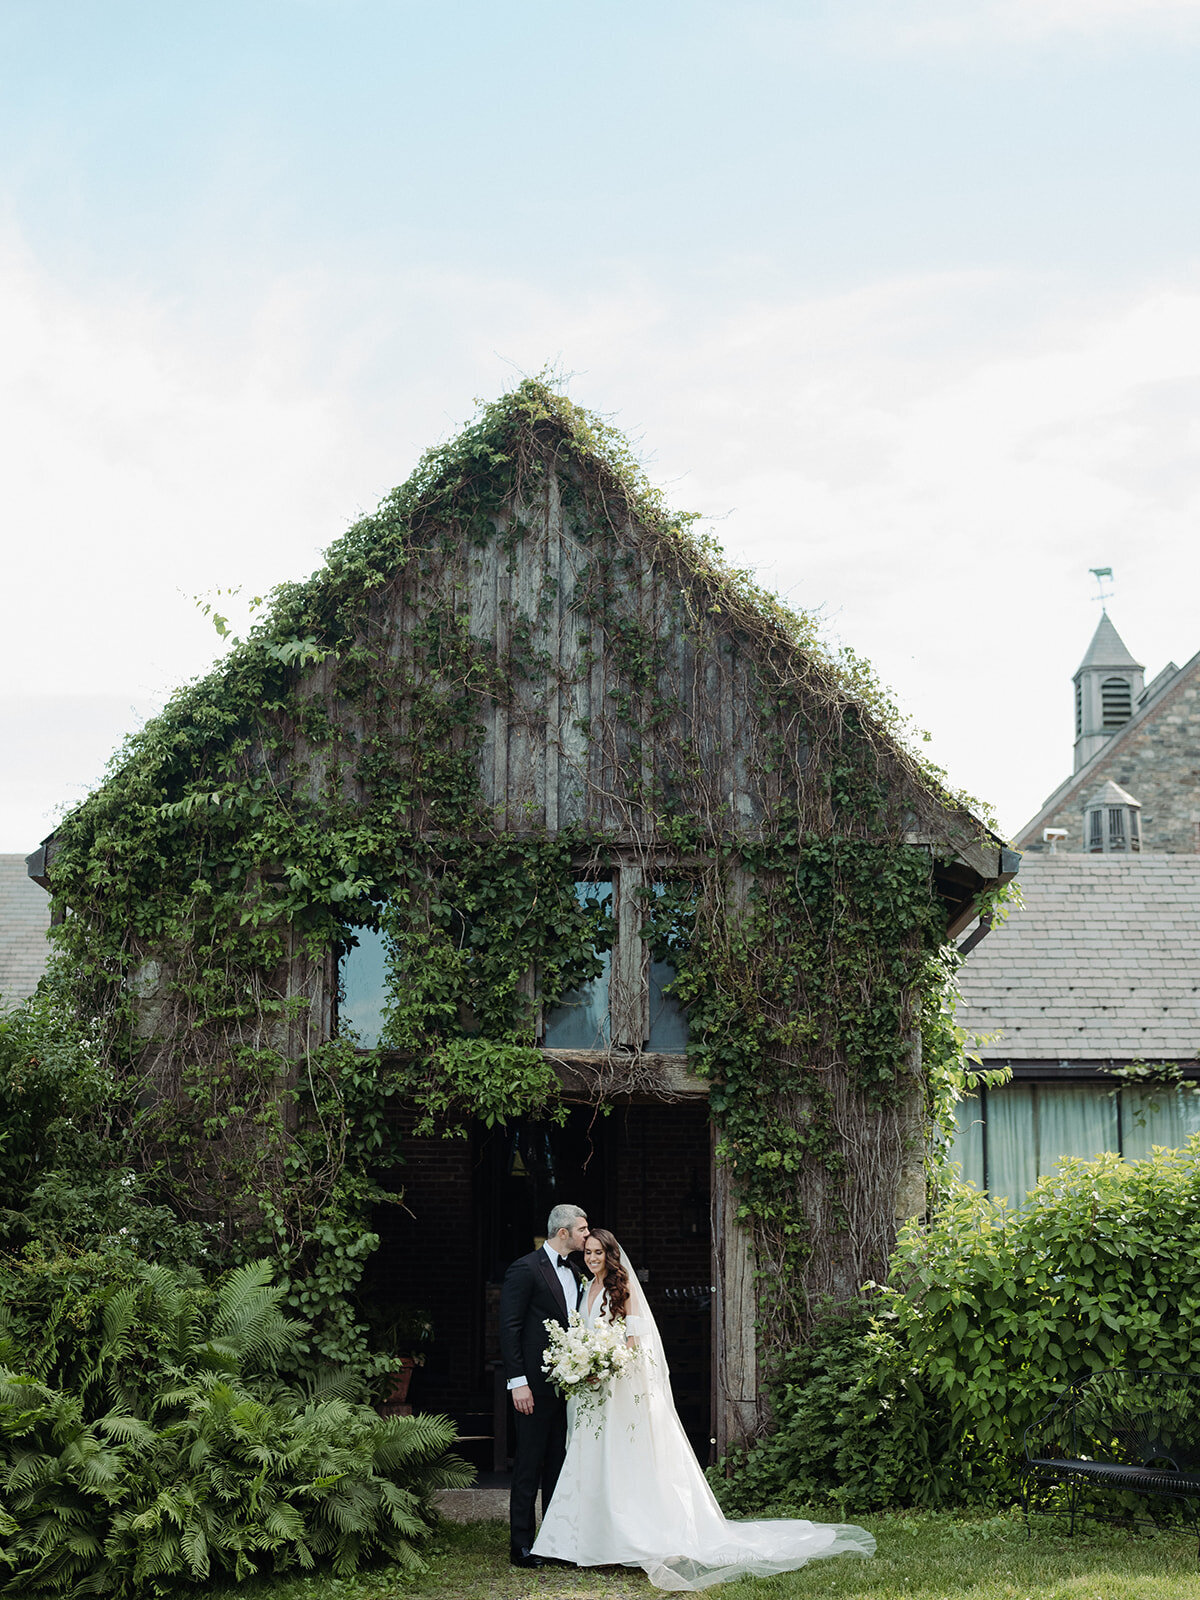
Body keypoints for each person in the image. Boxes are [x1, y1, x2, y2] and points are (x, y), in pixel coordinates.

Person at [532, 1227, 876, 1592]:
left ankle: (631, 1538)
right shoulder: (587, 1289)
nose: (592, 1258)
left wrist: (605, 1366)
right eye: (588, 1253)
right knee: (591, 1459)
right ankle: (586, 1541)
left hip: (618, 1391)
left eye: (599, 1252)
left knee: (621, 1460)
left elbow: (634, 1345)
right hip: (592, 1397)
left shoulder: (624, 1289)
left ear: (611, 1255)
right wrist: (584, 1364)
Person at [499, 1202, 590, 1568]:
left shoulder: (579, 1271)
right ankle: (521, 1543)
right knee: (529, 1463)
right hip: (533, 1387)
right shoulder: (524, 1269)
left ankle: (553, 1541)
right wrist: (518, 1382)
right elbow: (509, 1329)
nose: (588, 1235)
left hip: (566, 1385)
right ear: (563, 1232)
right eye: (583, 1230)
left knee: (558, 1462)